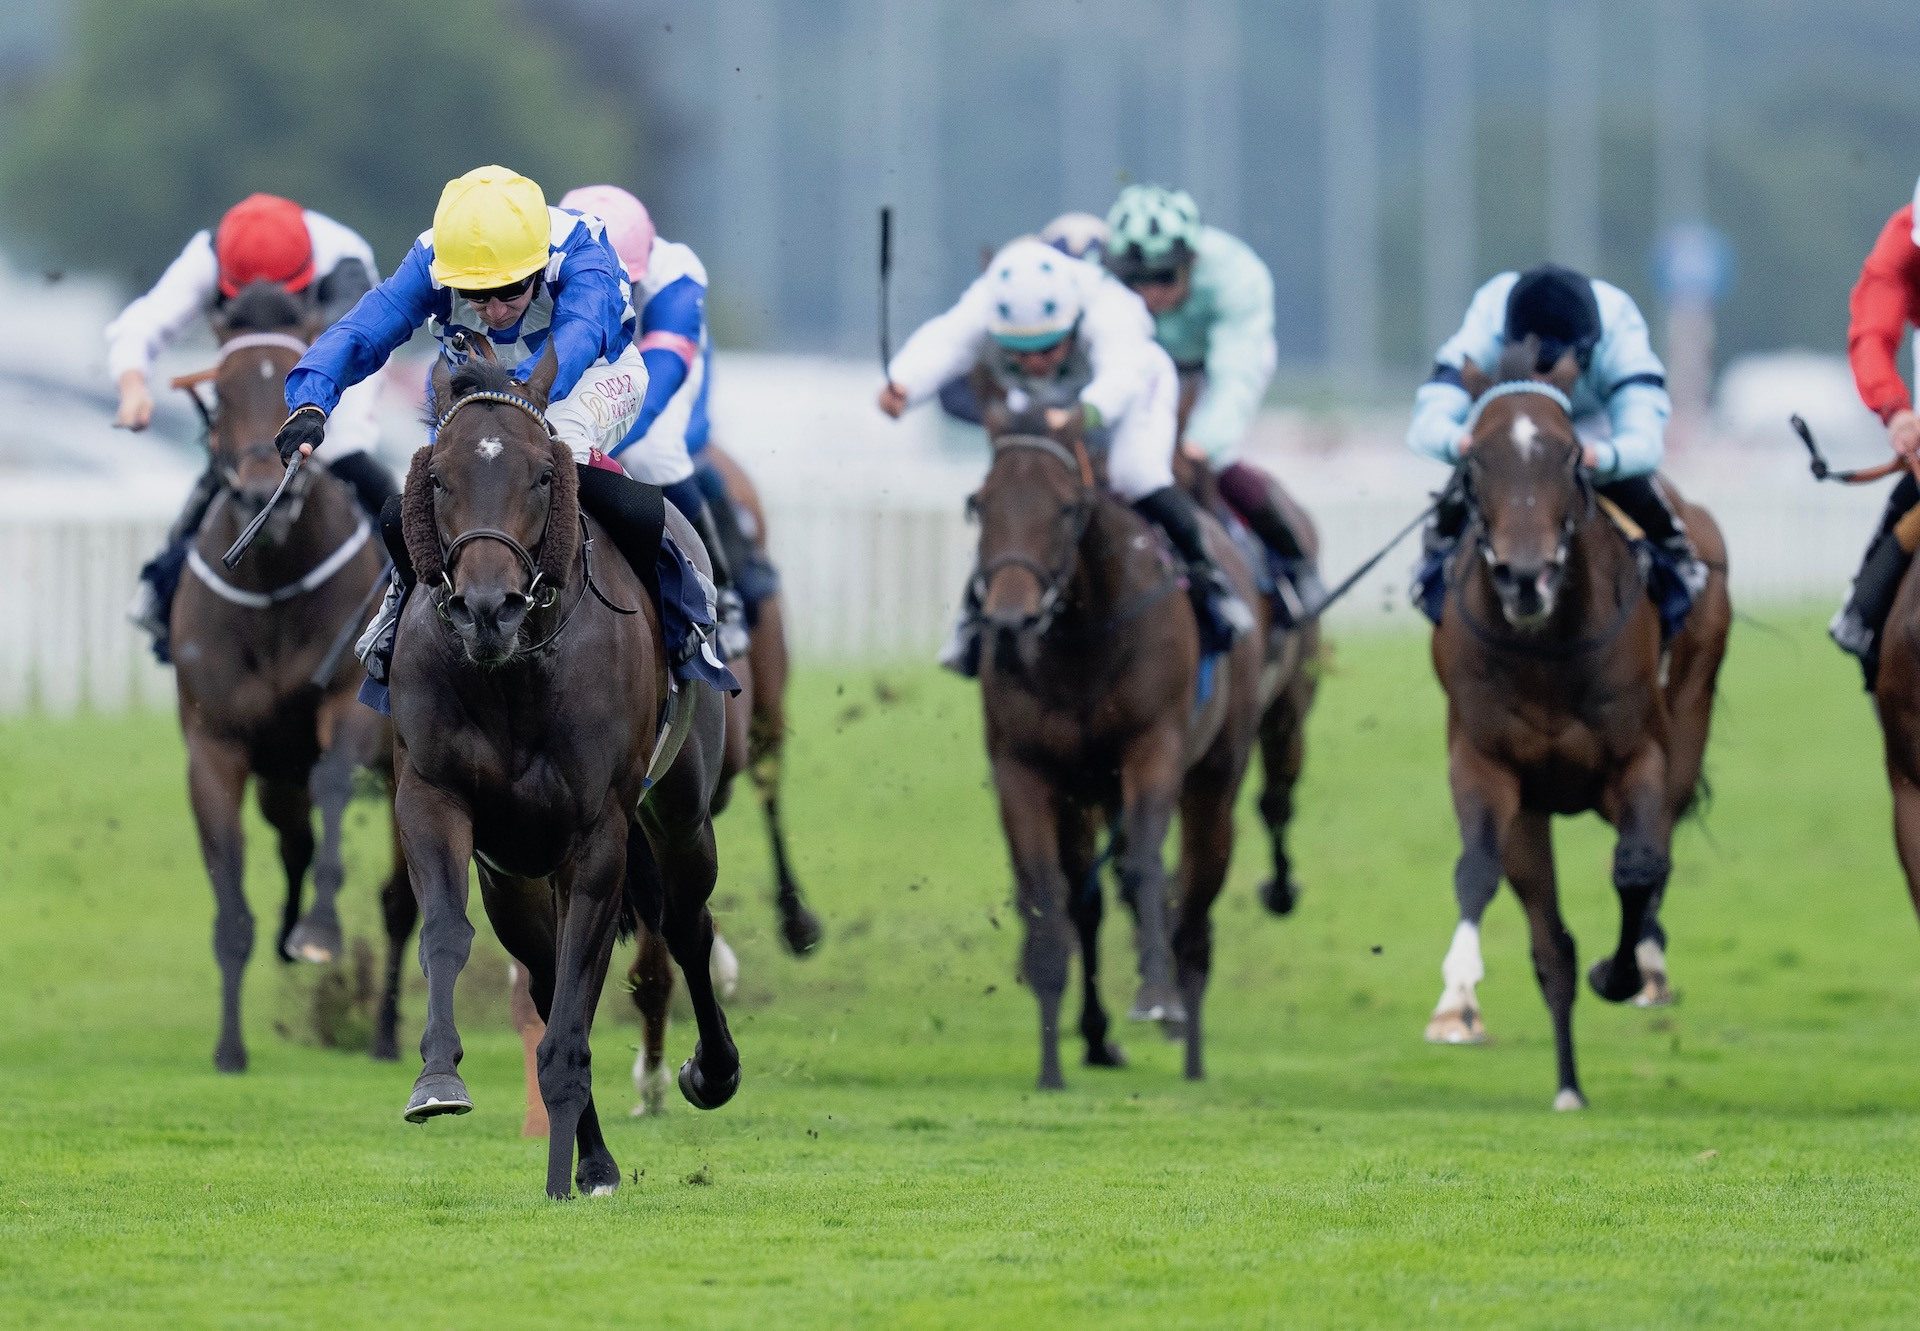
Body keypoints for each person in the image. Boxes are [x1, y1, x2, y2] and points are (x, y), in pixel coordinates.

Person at [271, 165, 732, 696]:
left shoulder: (583, 244)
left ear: (537, 264)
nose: (492, 308)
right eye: (474, 294)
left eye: (510, 291)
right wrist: (311, 401)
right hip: (478, 383)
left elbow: (580, 331)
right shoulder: (431, 257)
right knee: (432, 490)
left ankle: (683, 610)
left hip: (587, 375)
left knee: (563, 452)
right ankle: (398, 612)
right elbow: (364, 329)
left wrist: (526, 390)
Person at [878, 236, 1254, 674]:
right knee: (1017, 497)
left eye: (1048, 348)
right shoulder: (987, 302)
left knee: (1136, 477)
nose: (1035, 362)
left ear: (1073, 323)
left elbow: (1122, 376)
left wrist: (1085, 414)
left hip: (1133, 388)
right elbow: (944, 342)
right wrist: (903, 383)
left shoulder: (1110, 307)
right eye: (1020, 353)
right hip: (1055, 397)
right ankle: (971, 621)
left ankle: (1214, 588)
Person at [109, 193, 395, 660]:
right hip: (251, 378)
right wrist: (133, 384)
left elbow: (362, 342)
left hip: (341, 364)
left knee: (345, 451)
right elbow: (144, 322)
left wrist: (315, 408)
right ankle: (163, 588)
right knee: (231, 461)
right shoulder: (209, 254)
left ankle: (415, 581)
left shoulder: (344, 259)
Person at [1406, 262, 1708, 624]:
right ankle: (1434, 562)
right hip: (1513, 423)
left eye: (1551, 368)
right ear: (1510, 342)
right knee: (1477, 477)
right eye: (1534, 363)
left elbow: (1644, 442)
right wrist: (1462, 444)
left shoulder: (1619, 331)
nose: (1540, 379)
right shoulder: (1490, 314)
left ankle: (1676, 556)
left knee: (1635, 487)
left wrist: (1602, 457)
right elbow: (1427, 421)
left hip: (1592, 424)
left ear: (1584, 353)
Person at [1104, 184, 1324, 621]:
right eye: (1135, 281)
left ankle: (1296, 567)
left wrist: (1201, 441)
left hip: (1217, 365)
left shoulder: (1237, 277)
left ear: (1193, 263)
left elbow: (1234, 377)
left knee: (1214, 459)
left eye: (1165, 277)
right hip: (1144, 366)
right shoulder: (1099, 283)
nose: (1150, 294)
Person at [557, 184, 750, 653]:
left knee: (653, 452)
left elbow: (656, 384)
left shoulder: (676, 275)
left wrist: (577, 450)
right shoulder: (548, 262)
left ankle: (721, 591)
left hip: (656, 369)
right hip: (586, 361)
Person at [1831, 176, 1920, 684]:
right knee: (1908, 503)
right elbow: (1872, 333)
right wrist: (1896, 409)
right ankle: (1863, 621)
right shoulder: (1903, 238)